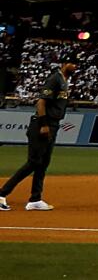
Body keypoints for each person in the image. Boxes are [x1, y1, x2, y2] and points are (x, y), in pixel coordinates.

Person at [1, 59, 74, 212]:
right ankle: (2, 193)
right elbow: (41, 103)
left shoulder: (64, 81)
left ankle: (35, 199)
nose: (75, 67)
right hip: (42, 125)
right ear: (64, 64)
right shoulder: (55, 79)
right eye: (72, 64)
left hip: (53, 125)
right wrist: (44, 124)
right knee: (33, 162)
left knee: (43, 163)